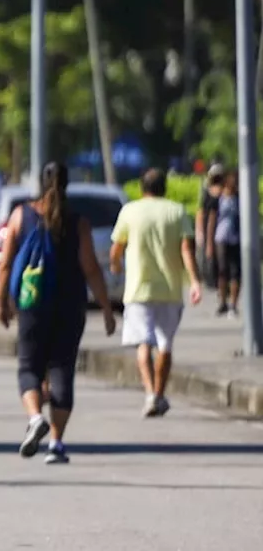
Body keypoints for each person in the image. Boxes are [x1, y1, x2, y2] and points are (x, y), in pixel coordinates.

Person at [0, 161, 117, 464]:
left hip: (32, 304)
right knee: (62, 370)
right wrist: (106, 308)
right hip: (70, 306)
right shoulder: (78, 222)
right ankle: (57, 444)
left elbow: (6, 263)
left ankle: (35, 417)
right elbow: (90, 267)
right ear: (66, 183)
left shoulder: (21, 215)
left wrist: (1, 302)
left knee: (29, 368)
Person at [109, 167, 203, 418]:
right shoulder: (177, 211)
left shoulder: (130, 211)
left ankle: (151, 393)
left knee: (143, 344)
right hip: (170, 289)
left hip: (139, 289)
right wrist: (194, 281)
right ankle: (160, 394)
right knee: (165, 345)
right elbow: (186, 250)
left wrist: (116, 267)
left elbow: (116, 249)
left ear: (142, 188)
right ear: (165, 187)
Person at [212, 170, 242, 318]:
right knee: (222, 271)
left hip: (236, 238)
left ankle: (233, 304)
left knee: (235, 272)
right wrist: (209, 242)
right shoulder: (219, 199)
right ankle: (222, 301)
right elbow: (212, 219)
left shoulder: (240, 199)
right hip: (221, 237)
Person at [195, 164, 224, 313]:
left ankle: (222, 292)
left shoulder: (227, 191)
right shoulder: (206, 191)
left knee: (221, 262)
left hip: (222, 231)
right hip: (209, 230)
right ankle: (214, 284)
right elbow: (201, 212)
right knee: (210, 258)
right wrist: (200, 231)